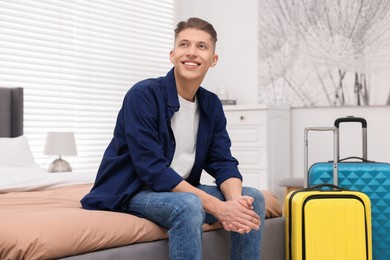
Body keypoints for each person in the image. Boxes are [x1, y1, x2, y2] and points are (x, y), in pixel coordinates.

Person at [81, 17, 265, 260]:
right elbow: (152, 170)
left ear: (213, 59)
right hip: (132, 191)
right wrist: (219, 208)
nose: (192, 52)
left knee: (254, 198)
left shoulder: (210, 104)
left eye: (202, 46)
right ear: (172, 54)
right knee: (188, 206)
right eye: (184, 45)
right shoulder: (142, 95)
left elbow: (223, 161)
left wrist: (235, 203)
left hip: (178, 190)